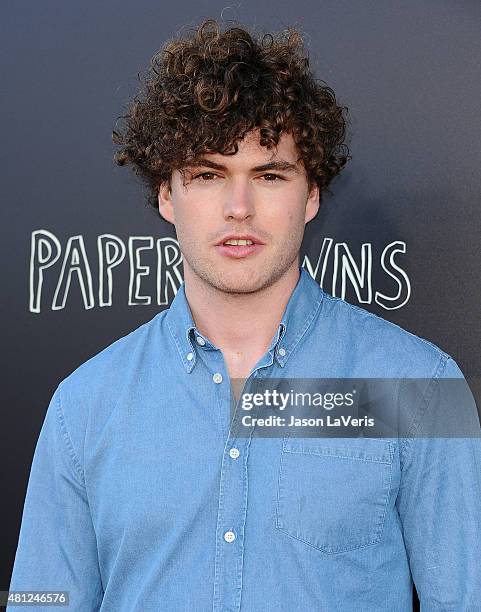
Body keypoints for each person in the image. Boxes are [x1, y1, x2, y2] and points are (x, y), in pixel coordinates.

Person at [8, 18, 481, 612]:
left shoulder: (420, 386)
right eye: (208, 175)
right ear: (165, 195)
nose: (238, 208)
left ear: (311, 195)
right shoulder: (84, 407)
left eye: (269, 175)